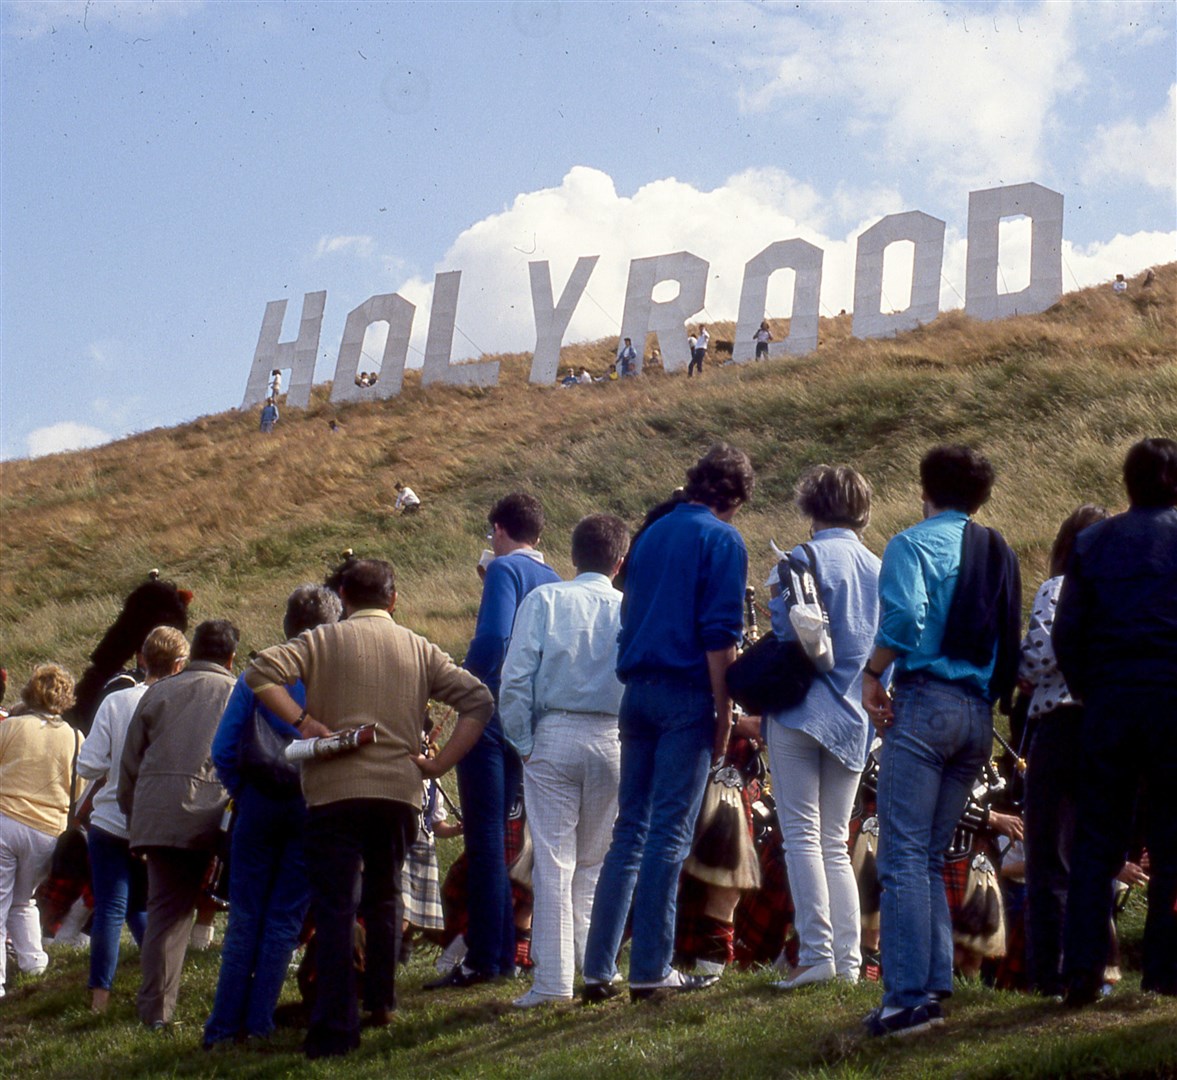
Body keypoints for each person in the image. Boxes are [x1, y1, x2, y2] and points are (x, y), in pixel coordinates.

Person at [245, 559, 494, 1058]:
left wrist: (304, 720)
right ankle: (383, 1001)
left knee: (337, 905)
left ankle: (336, 1025)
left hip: (334, 789)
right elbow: (479, 701)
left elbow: (260, 671)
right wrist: (437, 762)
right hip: (398, 792)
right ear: (394, 599)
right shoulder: (419, 648)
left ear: (342, 595)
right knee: (385, 895)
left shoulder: (322, 640)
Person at [860, 444, 1020, 1037]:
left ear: (924, 487)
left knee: (901, 853)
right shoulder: (996, 550)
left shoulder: (912, 544)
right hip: (978, 715)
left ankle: (905, 998)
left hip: (925, 703)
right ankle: (929, 986)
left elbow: (902, 620)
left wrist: (873, 673)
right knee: (928, 853)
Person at [583, 444, 753, 1002]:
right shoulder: (722, 539)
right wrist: (725, 707)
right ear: (733, 498)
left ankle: (597, 968)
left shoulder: (650, 533)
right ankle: (652, 968)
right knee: (668, 836)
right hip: (686, 693)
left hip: (637, 691)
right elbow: (719, 633)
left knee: (628, 832)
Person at [1054, 437, 1177, 1005]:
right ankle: (1165, 969)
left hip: (1108, 703)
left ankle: (1082, 970)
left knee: (1097, 838)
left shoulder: (1092, 541)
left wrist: (1092, 689)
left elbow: (1067, 633)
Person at [429, 493, 561, 989]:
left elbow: (491, 642)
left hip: (491, 710)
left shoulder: (505, 571)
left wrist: (463, 679)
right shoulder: (553, 580)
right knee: (509, 838)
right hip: (532, 718)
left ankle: (487, 956)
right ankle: (509, 951)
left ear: (500, 530)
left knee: (485, 836)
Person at [203, 585, 342, 1048]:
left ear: (287, 623)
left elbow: (223, 750)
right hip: (312, 802)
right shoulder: (337, 680)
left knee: (245, 917)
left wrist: (244, 791)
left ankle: (222, 1027)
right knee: (284, 918)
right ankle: (259, 1022)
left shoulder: (257, 675)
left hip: (259, 802)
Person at [500, 514, 630, 1007]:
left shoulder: (546, 600)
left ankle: (552, 981)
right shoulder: (628, 606)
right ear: (620, 562)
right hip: (614, 737)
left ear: (572, 557)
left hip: (554, 732)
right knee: (594, 861)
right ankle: (591, 966)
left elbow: (515, 678)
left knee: (554, 860)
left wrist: (522, 740)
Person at [764, 465, 881, 990]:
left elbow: (781, 630)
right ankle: (849, 962)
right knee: (837, 840)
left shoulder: (800, 559)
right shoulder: (881, 568)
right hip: (856, 713)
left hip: (800, 709)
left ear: (811, 506)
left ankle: (815, 954)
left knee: (801, 837)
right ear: (863, 509)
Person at [118, 619, 239, 1029]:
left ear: (193, 652)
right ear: (231, 656)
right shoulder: (236, 693)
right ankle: (238, 1008)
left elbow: (130, 764)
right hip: (213, 814)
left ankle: (155, 1012)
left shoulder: (158, 691)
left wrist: (136, 815)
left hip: (156, 814)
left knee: (165, 916)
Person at [1018, 504, 1109, 997]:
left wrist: (1018, 668)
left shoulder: (1058, 590)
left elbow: (1037, 657)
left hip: (1057, 725)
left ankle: (1048, 973)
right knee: (1092, 853)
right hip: (1106, 727)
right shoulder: (1119, 596)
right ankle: (1093, 968)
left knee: (1047, 851)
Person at [77, 627, 189, 1013]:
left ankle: (99, 998)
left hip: (109, 819)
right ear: (180, 664)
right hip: (156, 820)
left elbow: (87, 763)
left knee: (111, 907)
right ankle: (161, 982)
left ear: (142, 658)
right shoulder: (181, 703)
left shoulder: (116, 701)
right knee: (146, 906)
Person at [0, 664, 84, 997]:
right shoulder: (76, 738)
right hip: (48, 829)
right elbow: (80, 788)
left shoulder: (11, 727)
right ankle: (34, 965)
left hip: (5, 819)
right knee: (24, 901)